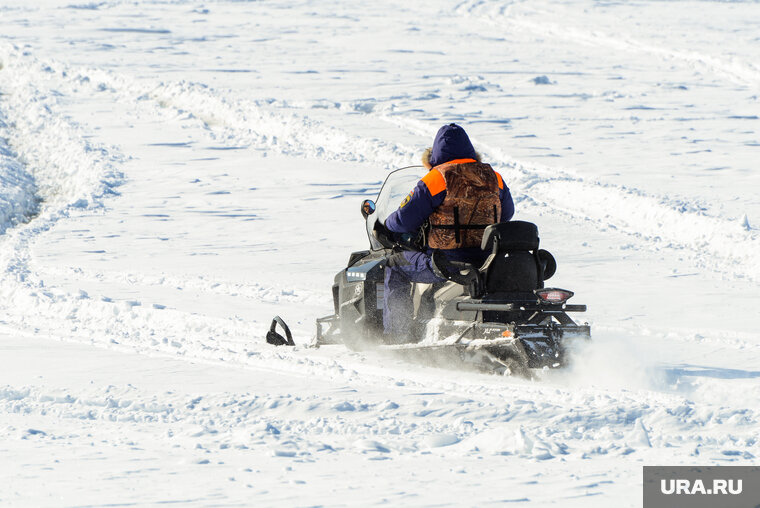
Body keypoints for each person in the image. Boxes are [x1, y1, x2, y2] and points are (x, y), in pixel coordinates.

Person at [380, 123, 514, 338]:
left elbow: (404, 220)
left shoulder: (437, 177)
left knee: (395, 266)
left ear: (436, 153)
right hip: (488, 259)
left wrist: (388, 224)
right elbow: (507, 214)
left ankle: (397, 335)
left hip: (447, 262)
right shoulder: (494, 176)